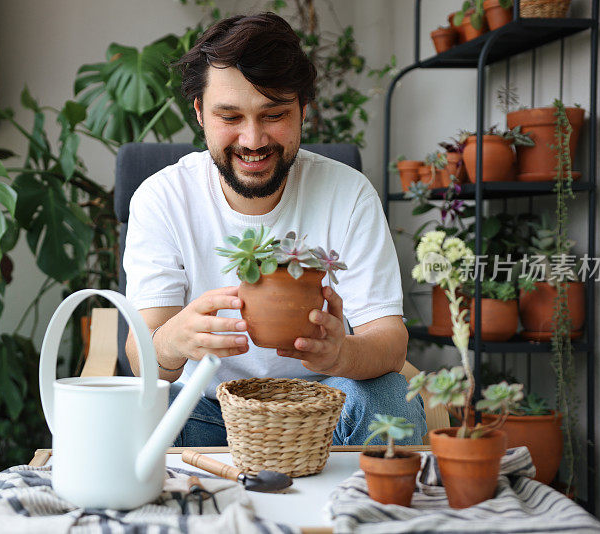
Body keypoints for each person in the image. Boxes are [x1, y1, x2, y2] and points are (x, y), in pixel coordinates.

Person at [123, 12, 426, 446]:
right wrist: (173, 340)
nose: (252, 140)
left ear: (304, 109)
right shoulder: (163, 197)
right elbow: (142, 357)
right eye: (229, 117)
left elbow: (390, 341)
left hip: (323, 410)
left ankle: (359, 514)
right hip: (205, 414)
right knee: (138, 412)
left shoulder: (348, 193)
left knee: (393, 400)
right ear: (200, 114)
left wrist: (342, 353)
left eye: (273, 115)